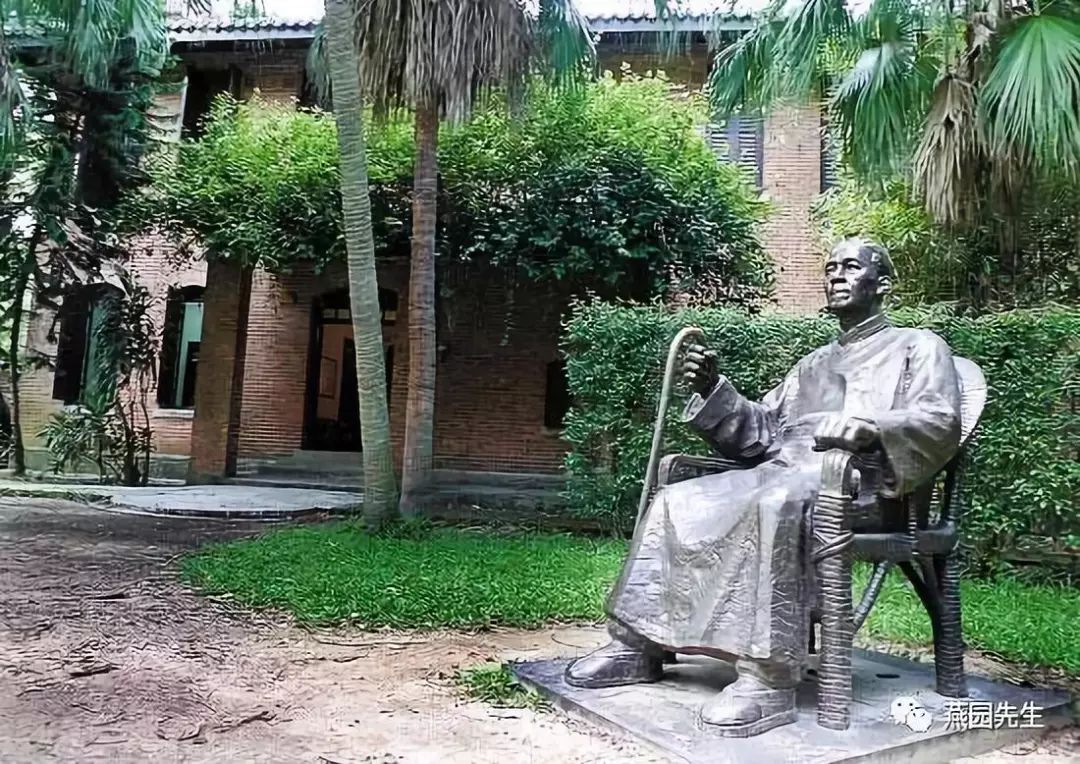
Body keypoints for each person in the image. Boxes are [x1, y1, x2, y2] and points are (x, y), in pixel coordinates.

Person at [565, 237, 963, 736]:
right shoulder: (813, 364)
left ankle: (768, 677)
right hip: (783, 472)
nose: (836, 276)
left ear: (881, 284)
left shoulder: (919, 346)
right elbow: (763, 432)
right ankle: (638, 643)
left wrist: (872, 427)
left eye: (851, 267)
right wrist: (713, 388)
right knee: (676, 499)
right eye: (831, 268)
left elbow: (939, 419)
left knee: (776, 503)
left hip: (860, 488)